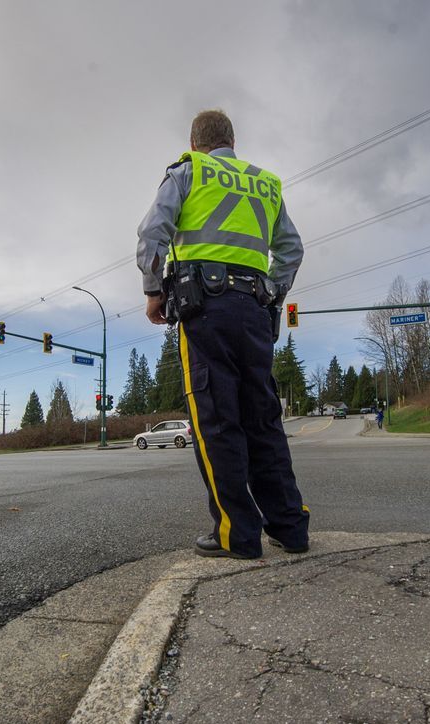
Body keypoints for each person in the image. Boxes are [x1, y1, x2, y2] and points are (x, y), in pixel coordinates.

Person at [135, 109, 309, 559]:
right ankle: (291, 528)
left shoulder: (189, 171)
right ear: (232, 139)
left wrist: (154, 291)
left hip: (205, 308)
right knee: (263, 419)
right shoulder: (266, 183)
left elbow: (152, 233)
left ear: (196, 142)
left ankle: (237, 533)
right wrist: (272, 291)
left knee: (217, 420)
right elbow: (291, 249)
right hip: (254, 310)